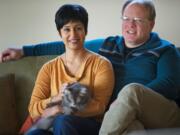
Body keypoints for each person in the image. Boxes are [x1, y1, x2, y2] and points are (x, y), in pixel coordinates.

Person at [1, 0, 180, 134]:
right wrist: (24, 50)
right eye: (126, 18)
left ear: (152, 23)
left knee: (131, 90)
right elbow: (67, 42)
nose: (130, 24)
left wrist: (124, 100)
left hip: (160, 110)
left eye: (138, 20)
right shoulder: (108, 44)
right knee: (133, 129)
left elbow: (169, 84)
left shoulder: (165, 50)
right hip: (122, 115)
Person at [25, 4, 114, 135]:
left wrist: (61, 109)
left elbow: (99, 107)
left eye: (78, 28)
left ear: (85, 31)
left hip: (89, 126)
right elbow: (33, 109)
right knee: (34, 133)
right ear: (59, 33)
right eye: (67, 29)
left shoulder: (101, 64)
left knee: (63, 121)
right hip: (55, 125)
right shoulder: (48, 68)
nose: (73, 34)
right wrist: (56, 98)